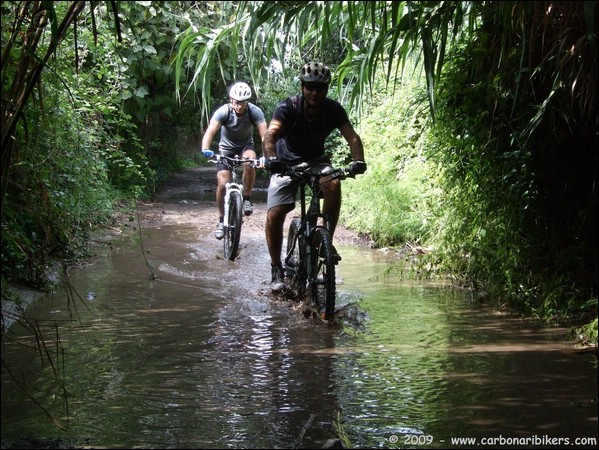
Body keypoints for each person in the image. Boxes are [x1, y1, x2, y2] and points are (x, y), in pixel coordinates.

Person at [261, 62, 367, 291]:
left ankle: (325, 240)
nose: (314, 93)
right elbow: (270, 136)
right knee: (275, 215)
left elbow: (352, 137)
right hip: (285, 163)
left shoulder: (333, 109)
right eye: (310, 87)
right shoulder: (287, 108)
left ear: (326, 89)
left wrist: (358, 161)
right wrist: (272, 159)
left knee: (333, 183)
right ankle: (276, 267)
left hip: (316, 162)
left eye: (319, 88)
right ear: (302, 87)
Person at [201, 82, 268, 239]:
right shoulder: (223, 112)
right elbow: (211, 130)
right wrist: (205, 148)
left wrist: (265, 156)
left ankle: (247, 198)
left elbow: (265, 135)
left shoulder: (254, 112)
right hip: (226, 149)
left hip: (246, 146)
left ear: (247, 102)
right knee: (222, 184)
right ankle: (220, 220)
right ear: (231, 100)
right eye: (236, 102)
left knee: (250, 162)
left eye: (242, 102)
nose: (239, 106)